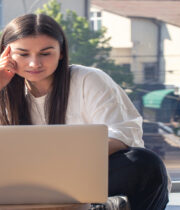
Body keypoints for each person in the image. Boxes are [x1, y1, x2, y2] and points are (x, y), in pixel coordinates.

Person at [0, 13, 170, 210]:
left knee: (144, 164)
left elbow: (123, 134)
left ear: (61, 52)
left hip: (80, 176)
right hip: (25, 182)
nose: (34, 63)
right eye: (23, 54)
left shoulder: (88, 79)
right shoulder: (5, 90)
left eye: (45, 53)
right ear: (6, 54)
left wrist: (60, 159)